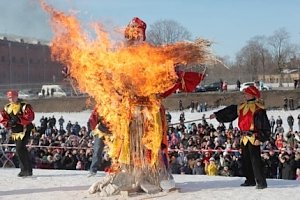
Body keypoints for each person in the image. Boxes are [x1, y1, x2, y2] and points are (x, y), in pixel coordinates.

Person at [210, 85, 271, 189]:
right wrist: (217, 114)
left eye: (246, 93)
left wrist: (260, 138)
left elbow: (264, 124)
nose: (244, 95)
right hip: (244, 137)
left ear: (252, 94)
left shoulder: (258, 108)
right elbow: (230, 111)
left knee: (255, 160)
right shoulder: (241, 106)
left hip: (253, 137)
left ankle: (261, 182)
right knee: (246, 160)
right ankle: (250, 179)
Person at [0, 90, 35, 177]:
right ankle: (27, 169)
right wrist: (9, 123)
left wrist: (19, 120)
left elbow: (30, 116)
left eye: (13, 97)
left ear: (16, 96)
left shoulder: (24, 105)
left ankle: (25, 169)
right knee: (22, 149)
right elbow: (3, 118)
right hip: (15, 131)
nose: (11, 99)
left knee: (19, 148)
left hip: (25, 129)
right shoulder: (7, 107)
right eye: (9, 98)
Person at [87, 108, 111, 177]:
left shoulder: (116, 107)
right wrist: (92, 128)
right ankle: (93, 170)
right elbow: (92, 119)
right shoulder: (101, 106)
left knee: (113, 153)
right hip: (100, 132)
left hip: (112, 133)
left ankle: (112, 169)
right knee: (97, 150)